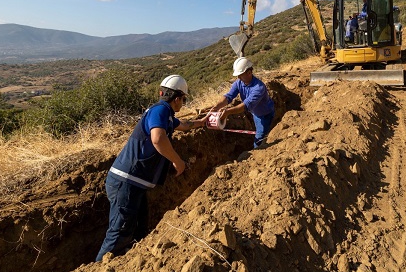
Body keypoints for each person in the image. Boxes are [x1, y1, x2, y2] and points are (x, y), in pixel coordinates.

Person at [96, 74, 206, 261]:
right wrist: (177, 161)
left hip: (134, 184)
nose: (183, 103)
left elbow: (185, 125)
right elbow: (158, 139)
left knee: (140, 230)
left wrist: (203, 122)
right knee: (119, 234)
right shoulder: (160, 111)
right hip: (126, 181)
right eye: (184, 99)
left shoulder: (167, 116)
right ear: (177, 98)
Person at [210, 57, 275, 149]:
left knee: (259, 139)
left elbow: (245, 106)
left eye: (240, 74)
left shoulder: (259, 88)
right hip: (256, 113)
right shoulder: (239, 82)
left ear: (249, 72)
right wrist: (217, 106)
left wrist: (227, 112)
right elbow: (228, 96)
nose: (238, 77)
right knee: (260, 133)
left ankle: (257, 151)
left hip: (265, 115)